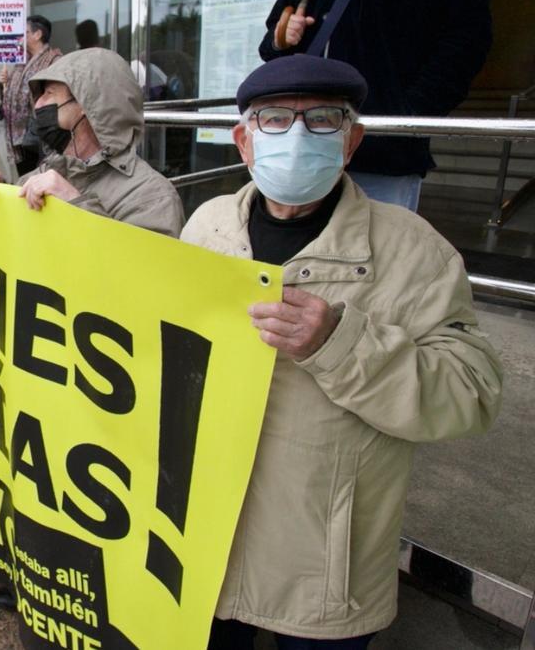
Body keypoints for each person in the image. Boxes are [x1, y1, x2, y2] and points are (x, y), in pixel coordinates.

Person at [179, 55, 503, 648]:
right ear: (244, 142)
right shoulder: (207, 226)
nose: (297, 136)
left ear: (352, 141)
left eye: (323, 119)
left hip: (324, 571)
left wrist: (341, 343)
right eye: (275, 119)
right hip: (204, 546)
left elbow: (472, 393)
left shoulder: (413, 250)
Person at [260, 0, 492, 211]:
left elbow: (468, 38)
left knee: (379, 242)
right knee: (298, 243)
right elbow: (270, 44)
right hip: (301, 146)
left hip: (380, 147)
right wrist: (280, 39)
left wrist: (408, 113)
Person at [0, 48, 183, 237]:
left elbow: (144, 271)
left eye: (49, 93)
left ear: (88, 104)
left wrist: (76, 205)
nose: (38, 104)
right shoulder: (44, 173)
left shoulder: (152, 197)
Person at [0, 14, 62, 176]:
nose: (20, 36)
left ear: (38, 34)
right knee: (25, 179)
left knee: (39, 179)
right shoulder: (21, 62)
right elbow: (9, 96)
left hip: (40, 136)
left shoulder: (53, 60)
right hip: (19, 136)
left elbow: (57, 96)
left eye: (24, 32)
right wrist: (4, 83)